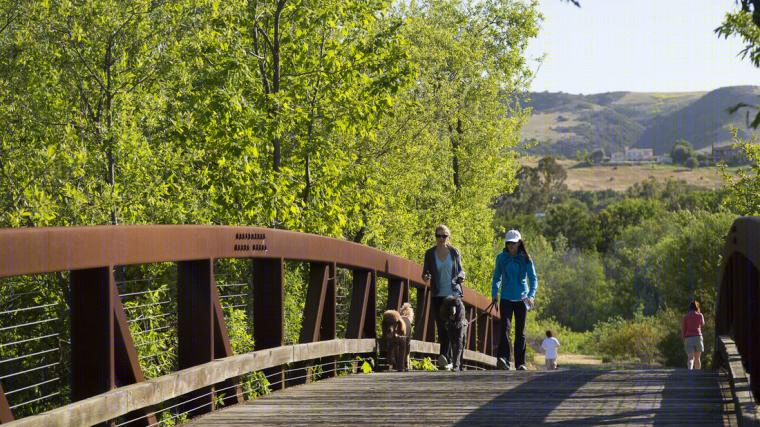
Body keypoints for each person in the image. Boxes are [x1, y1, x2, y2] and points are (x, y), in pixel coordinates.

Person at [491, 229, 537, 370]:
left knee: (520, 332)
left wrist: (531, 295)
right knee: (505, 328)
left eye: (514, 243)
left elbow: (533, 279)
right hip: (505, 298)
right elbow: (497, 277)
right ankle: (503, 359)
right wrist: (494, 294)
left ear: (519, 243)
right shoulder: (501, 258)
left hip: (522, 299)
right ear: (506, 244)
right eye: (509, 243)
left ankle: (520, 363)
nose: (511, 245)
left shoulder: (526, 258)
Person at [422, 225, 465, 370]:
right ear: (435, 236)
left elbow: (460, 271)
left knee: (451, 326)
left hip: (452, 295)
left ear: (448, 237)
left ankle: (446, 358)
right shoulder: (429, 253)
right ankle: (446, 358)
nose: (441, 239)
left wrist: (460, 278)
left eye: (444, 236)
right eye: (438, 236)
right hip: (437, 294)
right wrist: (426, 276)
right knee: (441, 327)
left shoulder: (454, 252)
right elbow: (425, 273)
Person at [681, 300, 705, 370]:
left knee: (690, 357)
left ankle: (690, 372)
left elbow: (683, 328)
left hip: (688, 338)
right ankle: (697, 375)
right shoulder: (700, 315)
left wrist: (683, 337)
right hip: (698, 337)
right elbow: (702, 324)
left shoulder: (685, 317)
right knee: (698, 358)